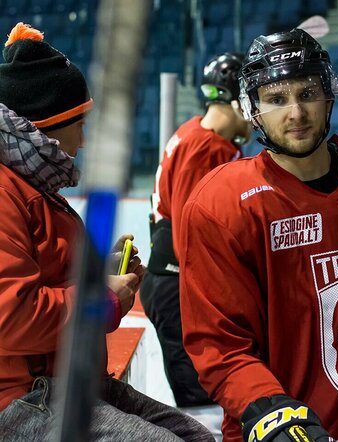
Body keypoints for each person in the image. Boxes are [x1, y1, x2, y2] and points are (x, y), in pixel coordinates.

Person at [176, 28, 338, 442]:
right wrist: (272, 413)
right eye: (277, 99)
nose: (295, 112)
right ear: (253, 108)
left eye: (307, 93)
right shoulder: (221, 205)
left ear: (329, 94)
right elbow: (220, 347)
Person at [0, 22, 214, 441]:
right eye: (78, 122)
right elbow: (11, 316)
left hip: (67, 382)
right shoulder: (8, 192)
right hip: (22, 398)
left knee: (195, 436)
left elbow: (52, 277)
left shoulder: (35, 188)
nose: (82, 139)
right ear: (45, 123)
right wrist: (103, 300)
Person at [140, 52, 250, 439]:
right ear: (237, 100)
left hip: (170, 280)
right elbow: (195, 234)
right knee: (205, 412)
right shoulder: (209, 149)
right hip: (179, 287)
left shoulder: (194, 132)